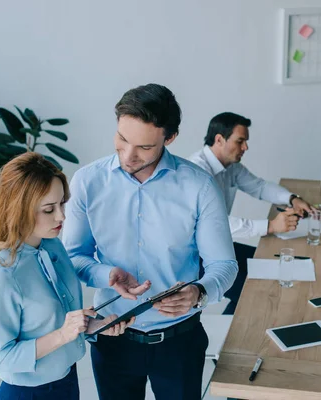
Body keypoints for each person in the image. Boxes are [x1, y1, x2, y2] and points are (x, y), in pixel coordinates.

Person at [63, 84, 237, 400]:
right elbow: (73, 256)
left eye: (143, 147)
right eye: (122, 139)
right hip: (112, 336)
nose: (128, 155)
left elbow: (223, 264)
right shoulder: (87, 182)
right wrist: (107, 275)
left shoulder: (199, 186)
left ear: (169, 138)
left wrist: (199, 292)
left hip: (180, 342)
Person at [0, 153, 130, 400]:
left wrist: (94, 326)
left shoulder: (52, 245)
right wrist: (63, 334)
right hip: (29, 394)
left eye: (62, 204)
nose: (61, 217)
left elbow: (55, 321)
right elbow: (2, 357)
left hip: (67, 381)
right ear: (19, 210)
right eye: (49, 209)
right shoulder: (0, 276)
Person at [189, 112, 314, 314]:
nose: (245, 147)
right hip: (197, 257)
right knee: (254, 290)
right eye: (240, 141)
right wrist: (271, 226)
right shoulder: (197, 173)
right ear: (219, 140)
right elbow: (214, 225)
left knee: (270, 266)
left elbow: (259, 187)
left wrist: (292, 198)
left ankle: (234, 319)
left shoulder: (230, 166)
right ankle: (234, 334)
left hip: (219, 245)